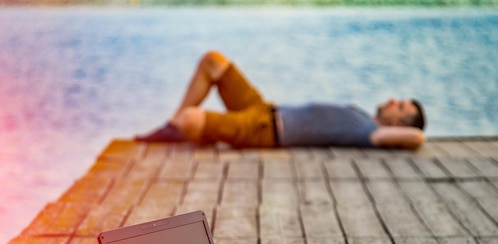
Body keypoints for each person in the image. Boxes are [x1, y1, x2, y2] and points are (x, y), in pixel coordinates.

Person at [136, 50, 426, 150]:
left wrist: (407, 133)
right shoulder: (364, 118)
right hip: (263, 109)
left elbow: (417, 138)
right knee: (213, 60)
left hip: (263, 132)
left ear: (399, 123)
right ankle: (172, 125)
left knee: (192, 119)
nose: (392, 100)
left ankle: (187, 127)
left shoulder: (369, 133)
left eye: (399, 106)